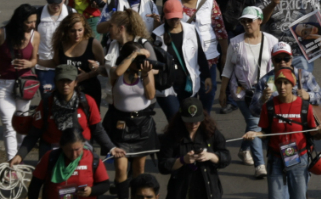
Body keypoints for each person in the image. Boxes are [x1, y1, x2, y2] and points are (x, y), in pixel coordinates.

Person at [12, 63, 119, 166]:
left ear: (76, 82)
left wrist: (112, 148)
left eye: (69, 81)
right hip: (52, 152)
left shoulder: (87, 102)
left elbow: (98, 130)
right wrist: (20, 155)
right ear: (55, 81)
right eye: (61, 80)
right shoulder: (46, 103)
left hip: (81, 151)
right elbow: (34, 134)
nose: (65, 84)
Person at [243, 68, 321, 199]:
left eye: (286, 82)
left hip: (299, 158)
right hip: (275, 159)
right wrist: (255, 134)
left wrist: (320, 129)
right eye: (279, 83)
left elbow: (312, 132)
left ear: (293, 84)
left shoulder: (305, 107)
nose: (282, 86)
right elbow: (265, 132)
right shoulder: (268, 106)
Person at [218, 6, 277, 179]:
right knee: (254, 124)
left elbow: (275, 67)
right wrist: (222, 92)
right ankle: (260, 165)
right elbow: (227, 68)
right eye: (243, 21)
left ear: (260, 21)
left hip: (265, 91)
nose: (246, 24)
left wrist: (271, 87)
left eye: (249, 20)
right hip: (243, 92)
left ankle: (244, 149)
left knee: (254, 124)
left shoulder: (271, 41)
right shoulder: (236, 42)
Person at [0, 4, 40, 161]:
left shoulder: (35, 35)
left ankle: (19, 159)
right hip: (3, 85)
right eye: (29, 22)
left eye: (35, 21)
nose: (33, 25)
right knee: (9, 126)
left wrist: (30, 64)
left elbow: (35, 58)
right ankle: (12, 167)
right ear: (20, 21)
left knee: (21, 127)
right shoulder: (1, 33)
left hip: (25, 85)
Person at [103, 43, 157, 199]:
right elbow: (119, 71)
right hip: (121, 124)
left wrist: (146, 74)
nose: (140, 62)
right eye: (137, 59)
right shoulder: (115, 71)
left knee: (139, 169)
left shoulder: (146, 72)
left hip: (142, 124)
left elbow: (151, 95)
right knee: (120, 168)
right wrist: (135, 54)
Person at [173, 0, 227, 112]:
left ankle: (205, 122)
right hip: (184, 60)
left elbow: (220, 29)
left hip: (208, 58)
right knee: (187, 97)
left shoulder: (210, 2)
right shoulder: (174, 4)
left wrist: (225, 54)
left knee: (208, 94)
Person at [158, 97, 231, 199]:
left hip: (208, 189)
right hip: (182, 190)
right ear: (181, 118)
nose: (193, 125)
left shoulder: (211, 133)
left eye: (197, 121)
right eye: (189, 121)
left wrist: (211, 156)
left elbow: (226, 157)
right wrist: (183, 160)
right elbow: (163, 166)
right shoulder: (172, 136)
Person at [153, 0, 211, 121]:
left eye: (176, 18)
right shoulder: (157, 35)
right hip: (167, 87)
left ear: (182, 15)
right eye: (171, 18)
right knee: (175, 120)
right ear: (165, 16)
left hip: (188, 85)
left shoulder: (191, 30)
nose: (174, 21)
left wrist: (207, 76)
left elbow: (200, 54)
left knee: (190, 119)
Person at [26, 128, 111, 199]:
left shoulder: (93, 159)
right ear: (61, 146)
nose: (74, 155)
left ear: (83, 144)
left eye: (77, 149)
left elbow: (105, 184)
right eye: (69, 150)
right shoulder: (50, 157)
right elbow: (35, 186)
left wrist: (91, 191)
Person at [44, 13, 105, 108]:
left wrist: (90, 73)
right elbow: (55, 63)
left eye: (80, 30)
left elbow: (104, 67)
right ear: (66, 31)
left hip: (90, 90)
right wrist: (35, 61)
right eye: (72, 31)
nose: (77, 34)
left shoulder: (93, 43)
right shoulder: (61, 45)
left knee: (90, 120)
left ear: (84, 28)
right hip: (66, 90)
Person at [257, 0, 321, 72]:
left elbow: (318, 20)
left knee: (302, 84)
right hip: (275, 57)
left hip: (301, 55)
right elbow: (259, 20)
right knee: (277, 85)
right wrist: (272, 5)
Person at [35, 0, 75, 98]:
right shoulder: (37, 15)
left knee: (66, 97)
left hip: (66, 66)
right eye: (52, 2)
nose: (55, 5)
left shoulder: (71, 13)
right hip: (44, 67)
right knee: (48, 98)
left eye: (58, 2)